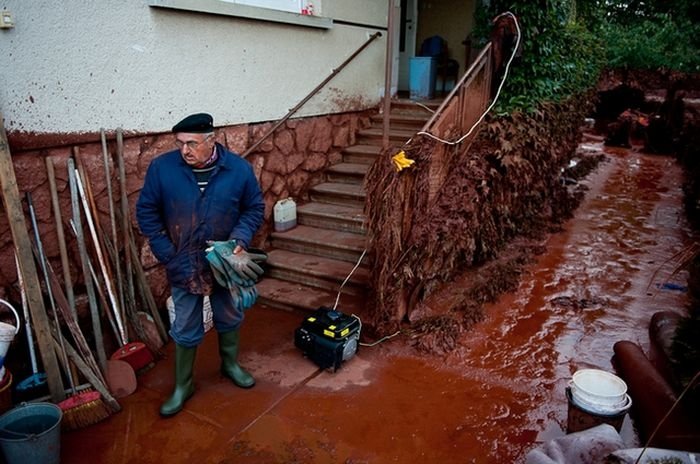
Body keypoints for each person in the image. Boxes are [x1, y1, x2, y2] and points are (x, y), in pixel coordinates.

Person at [136, 113, 265, 417]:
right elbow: (147, 212)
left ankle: (230, 365)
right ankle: (183, 385)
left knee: (229, 314)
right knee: (185, 325)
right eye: (180, 143)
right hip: (183, 262)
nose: (185, 150)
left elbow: (254, 207)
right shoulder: (162, 169)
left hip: (225, 260)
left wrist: (239, 239)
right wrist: (166, 251)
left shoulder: (238, 170)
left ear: (211, 140)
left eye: (192, 143)